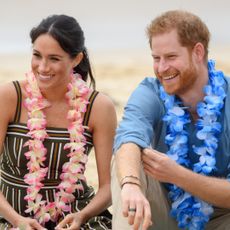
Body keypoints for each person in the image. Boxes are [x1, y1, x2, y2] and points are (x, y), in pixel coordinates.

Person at [111, 10, 230, 230]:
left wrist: (179, 175)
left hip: (223, 216)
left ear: (197, 52)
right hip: (167, 212)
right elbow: (128, 134)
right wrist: (130, 184)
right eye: (156, 58)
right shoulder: (151, 90)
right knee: (129, 157)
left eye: (171, 57)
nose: (162, 68)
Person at [0, 14, 117, 230]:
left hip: (77, 218)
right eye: (37, 55)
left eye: (54, 58)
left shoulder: (99, 107)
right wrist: (16, 221)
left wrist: (83, 215)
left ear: (76, 59)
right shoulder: (10, 97)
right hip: (9, 217)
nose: (43, 67)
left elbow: (108, 187)